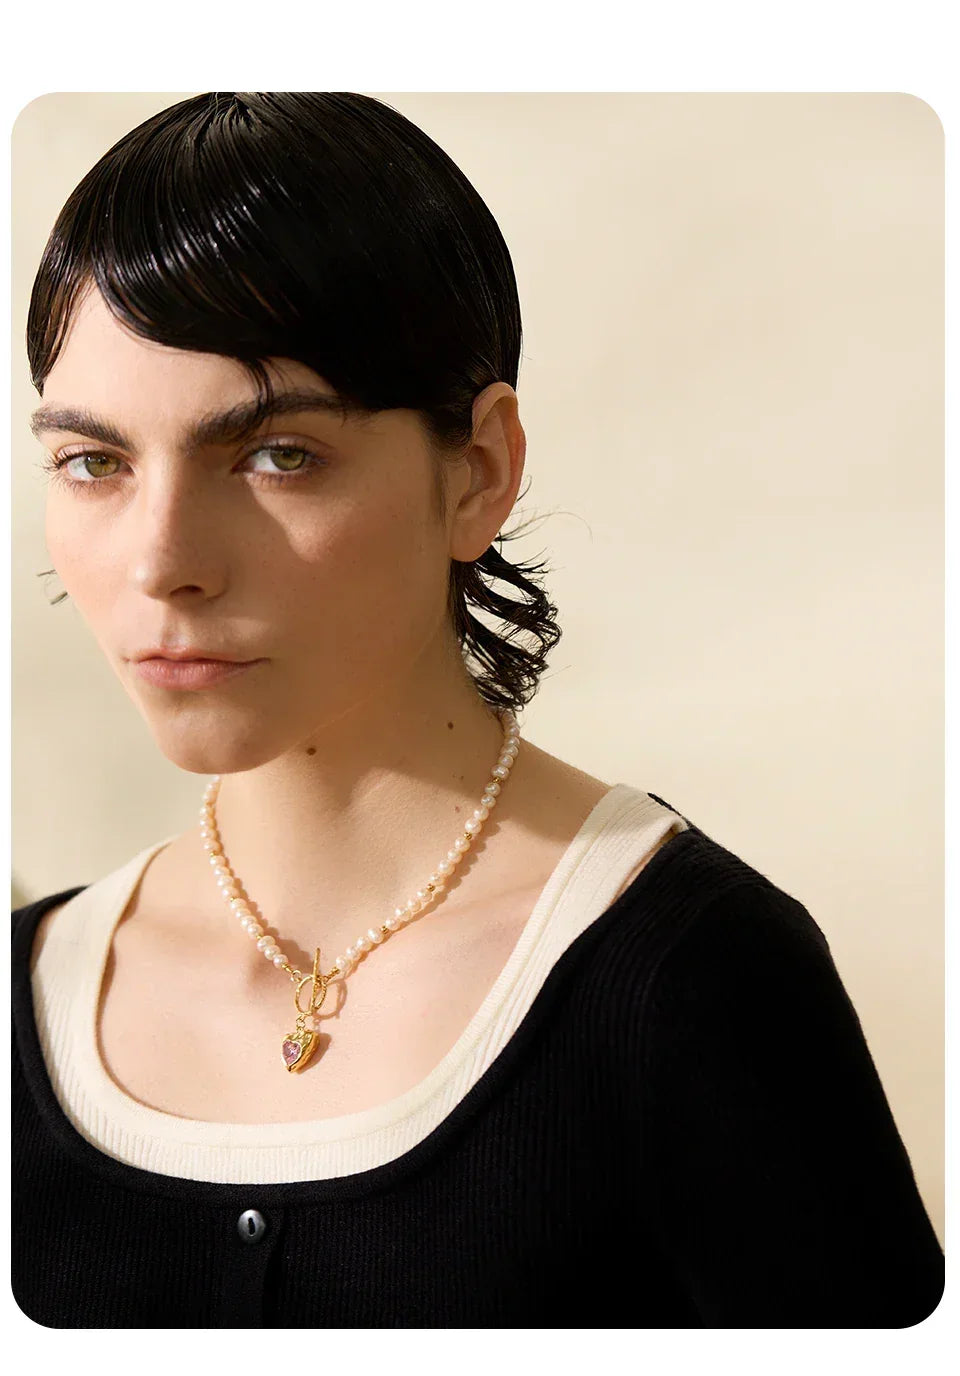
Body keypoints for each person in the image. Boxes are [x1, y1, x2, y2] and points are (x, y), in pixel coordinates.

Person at [12, 91, 943, 1329]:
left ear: (481, 468)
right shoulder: (28, 987)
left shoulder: (691, 980)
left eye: (278, 454)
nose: (162, 560)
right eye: (95, 462)